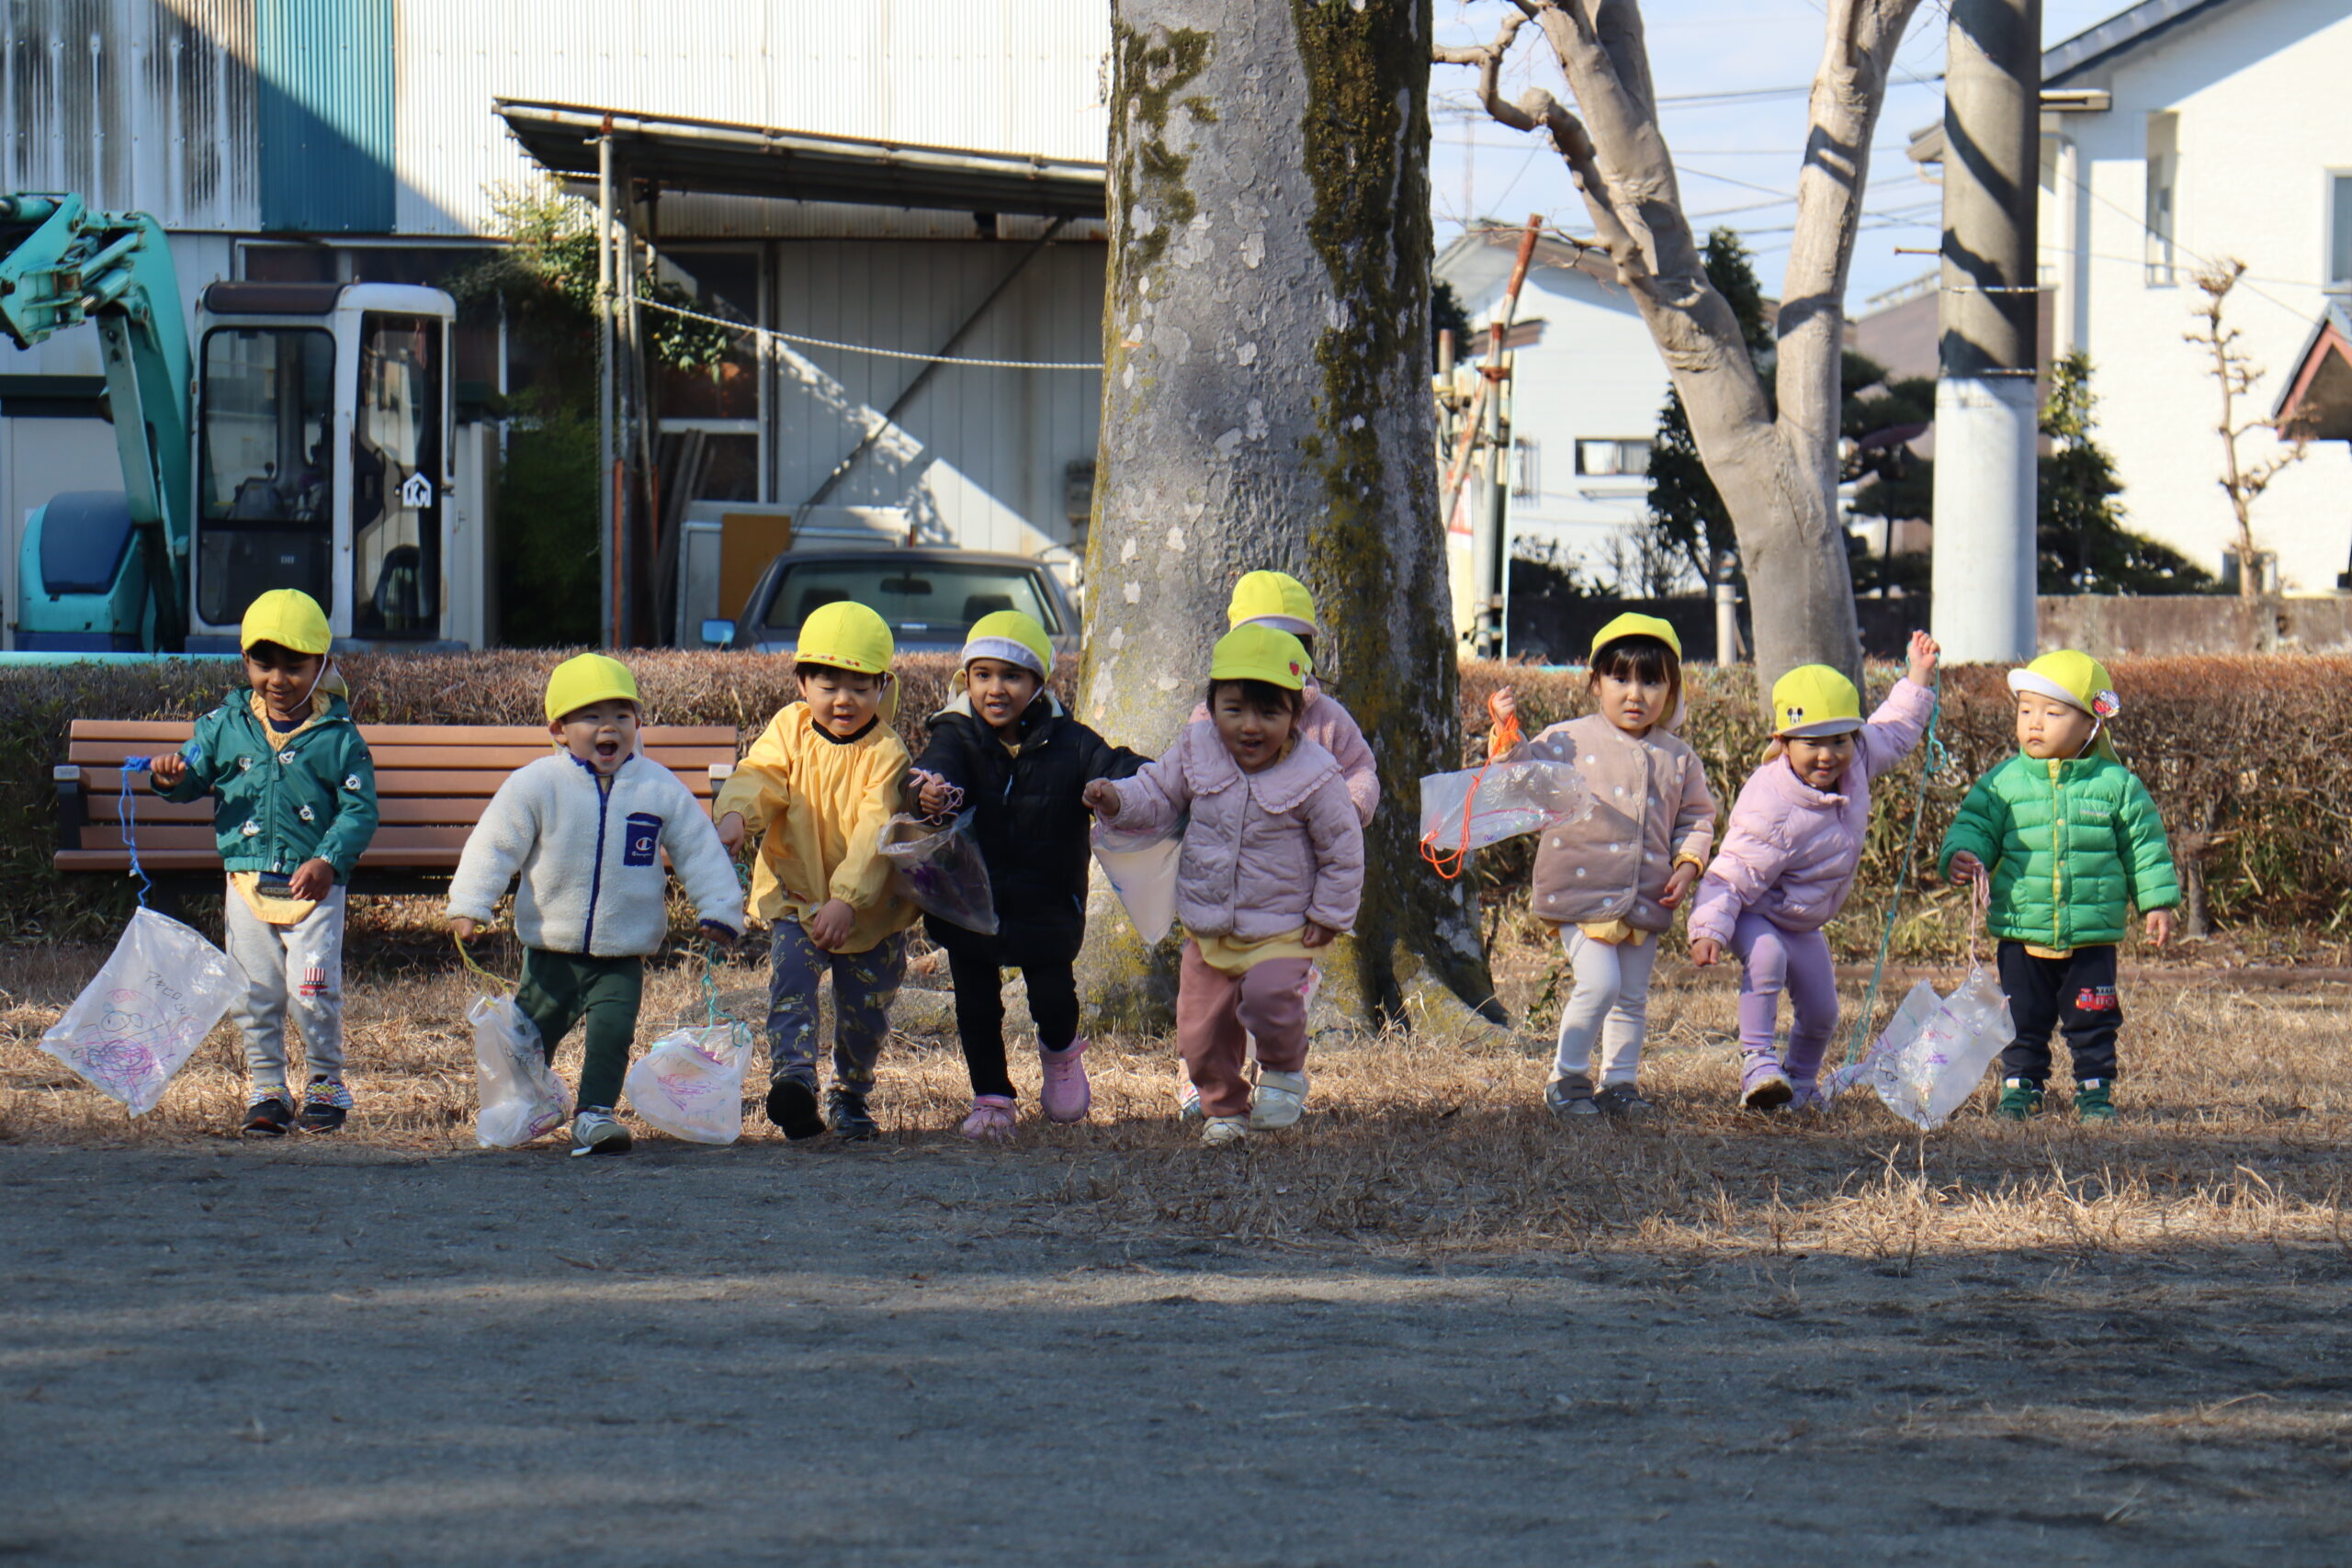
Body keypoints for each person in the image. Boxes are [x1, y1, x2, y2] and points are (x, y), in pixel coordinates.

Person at [446, 654, 744, 1156]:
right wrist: (471, 902)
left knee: (612, 1036)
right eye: (591, 717)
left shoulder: (657, 787)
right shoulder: (538, 784)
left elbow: (698, 848)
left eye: (622, 716)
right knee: (530, 1040)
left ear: (637, 724)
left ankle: (595, 1114)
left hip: (622, 953)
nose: (609, 728)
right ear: (560, 729)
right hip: (550, 950)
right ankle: (529, 1103)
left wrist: (719, 907)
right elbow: (494, 843)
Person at [1085, 625, 1363, 1146]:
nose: (1250, 726)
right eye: (1235, 709)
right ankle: (1223, 1110)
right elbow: (1158, 793)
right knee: (1199, 1033)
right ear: (1211, 707)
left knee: (1267, 1000)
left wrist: (1329, 914)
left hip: (1283, 928)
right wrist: (1117, 801)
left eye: (1269, 713)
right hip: (1209, 927)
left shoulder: (1316, 774)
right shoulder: (1196, 749)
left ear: (1295, 715)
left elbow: (1343, 850)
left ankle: (1282, 1072)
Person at [905, 611, 1148, 1140]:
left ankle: (1060, 1056)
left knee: (1055, 997)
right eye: (983, 675)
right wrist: (925, 792)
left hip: (1048, 900)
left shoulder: (1073, 743)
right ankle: (992, 1097)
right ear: (965, 680)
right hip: (971, 899)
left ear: (1039, 684)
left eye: (1012, 676)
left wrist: (1118, 792)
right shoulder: (955, 734)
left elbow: (1125, 767)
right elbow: (928, 769)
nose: (996, 689)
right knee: (975, 1004)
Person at [150, 590, 379, 1137]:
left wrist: (327, 859)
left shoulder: (339, 738)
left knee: (311, 987)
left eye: (295, 667)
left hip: (312, 886)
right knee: (254, 990)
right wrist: (169, 777)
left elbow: (359, 809)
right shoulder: (224, 725)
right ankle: (267, 1088)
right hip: (246, 878)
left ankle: (325, 1080)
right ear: (245, 661)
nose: (278, 679)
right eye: (263, 664)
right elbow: (194, 775)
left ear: (323, 664)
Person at [1688, 634, 1941, 1111]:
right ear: (1782, 742)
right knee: (1765, 959)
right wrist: (1709, 927)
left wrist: (1919, 676)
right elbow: (1733, 870)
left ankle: (1799, 1084)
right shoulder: (1772, 803)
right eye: (1812, 743)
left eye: (1840, 740)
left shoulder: (1859, 759)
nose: (1828, 755)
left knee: (1823, 1012)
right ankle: (1759, 1064)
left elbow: (1896, 729)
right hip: (1753, 909)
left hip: (1801, 919)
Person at [1490, 614, 1716, 1119]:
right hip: (1580, 890)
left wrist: (1687, 865)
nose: (1635, 693)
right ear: (1596, 682)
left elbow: (1697, 817)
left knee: (1631, 996)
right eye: (1620, 678)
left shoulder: (1678, 757)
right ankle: (1566, 1077)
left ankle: (1620, 1083)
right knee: (1601, 984)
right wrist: (1508, 734)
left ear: (1671, 688)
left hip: (1645, 895)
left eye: (1652, 680)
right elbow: (1527, 776)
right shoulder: (1569, 739)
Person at [1937, 650, 2178, 1122]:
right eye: (2026, 710)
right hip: (2022, 930)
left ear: (2092, 723)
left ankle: (2095, 1090)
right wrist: (1963, 854)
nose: (2034, 723)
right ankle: (2021, 1087)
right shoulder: (2003, 783)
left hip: (2090, 934)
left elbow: (2145, 847)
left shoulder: (2117, 786)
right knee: (2023, 1018)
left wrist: (2157, 902)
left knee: (2093, 1018)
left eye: (2052, 712)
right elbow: (1975, 826)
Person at [714, 602, 918, 1143]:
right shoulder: (790, 728)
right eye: (828, 684)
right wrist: (736, 814)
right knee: (792, 986)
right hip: (798, 895)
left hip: (868, 910)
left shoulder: (886, 752)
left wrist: (848, 899)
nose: (844, 699)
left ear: (882, 687)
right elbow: (760, 773)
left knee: (865, 1011)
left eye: (859, 685)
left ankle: (850, 1093)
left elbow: (879, 830)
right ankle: (794, 1083)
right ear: (802, 683)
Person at [1203, 570, 1377, 825]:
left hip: (1305, 858)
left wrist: (1347, 811)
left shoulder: (1328, 719)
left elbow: (1361, 770)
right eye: (1261, 644)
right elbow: (1172, 782)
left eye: (1291, 643)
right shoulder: (1210, 716)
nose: (1276, 655)